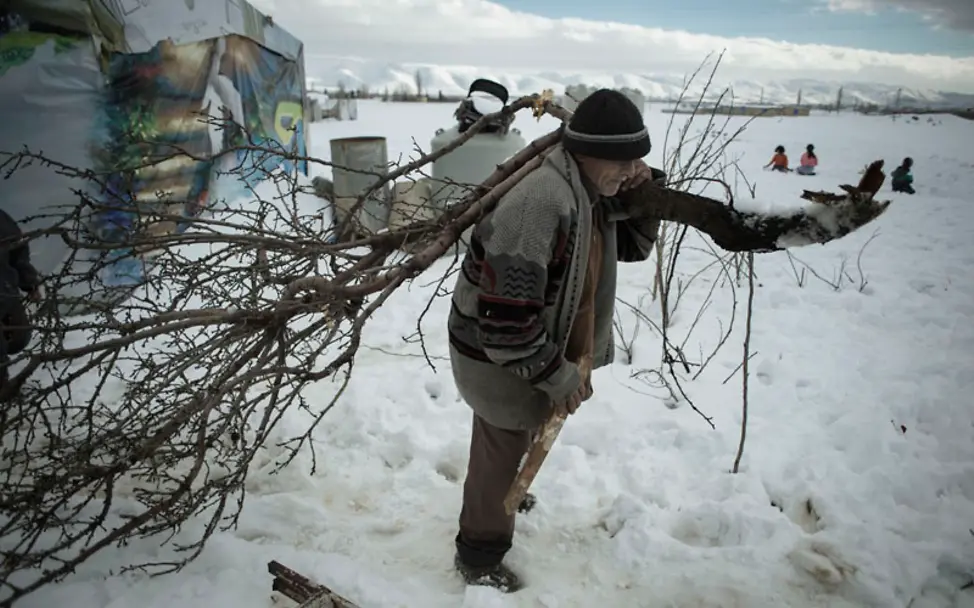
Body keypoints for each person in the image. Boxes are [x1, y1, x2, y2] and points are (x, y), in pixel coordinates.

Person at [446, 89, 664, 593]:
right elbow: (504, 325)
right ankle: (478, 555)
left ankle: (505, 495)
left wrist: (644, 196)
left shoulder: (587, 188)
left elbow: (630, 247)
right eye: (625, 161)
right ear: (590, 151)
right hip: (496, 356)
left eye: (638, 160)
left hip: (528, 346)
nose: (632, 169)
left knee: (515, 436)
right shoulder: (540, 204)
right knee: (500, 447)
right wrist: (558, 375)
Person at [1, 209, 41, 394]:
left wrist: (30, 284)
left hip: (5, 290)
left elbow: (18, 251)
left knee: (19, 337)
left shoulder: (2, 220)